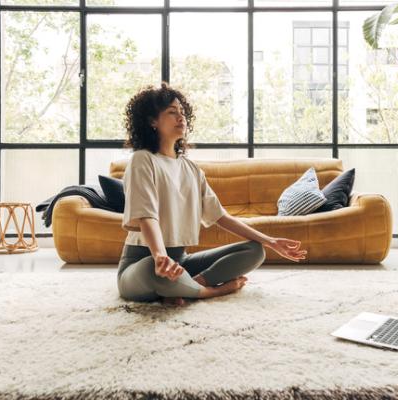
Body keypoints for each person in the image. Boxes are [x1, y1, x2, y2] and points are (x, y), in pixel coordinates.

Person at [117, 82, 307, 306]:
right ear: (152, 121)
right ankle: (208, 292)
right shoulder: (143, 160)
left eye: (182, 112)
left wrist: (270, 240)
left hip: (180, 261)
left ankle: (191, 284)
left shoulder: (191, 169)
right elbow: (147, 216)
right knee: (153, 269)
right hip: (142, 263)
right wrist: (159, 256)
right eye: (171, 112)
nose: (181, 117)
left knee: (255, 251)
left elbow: (221, 217)